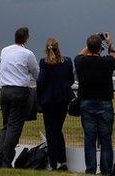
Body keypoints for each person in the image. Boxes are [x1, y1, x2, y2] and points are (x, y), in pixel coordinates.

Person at [74, 32, 115, 175]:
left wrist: (95, 40)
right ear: (100, 49)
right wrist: (110, 43)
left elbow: (80, 54)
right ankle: (106, 170)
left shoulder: (80, 61)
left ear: (88, 47)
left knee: (89, 139)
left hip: (86, 103)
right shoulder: (106, 62)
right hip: (105, 103)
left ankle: (90, 169)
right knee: (106, 138)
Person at [0, 27, 40, 169]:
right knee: (14, 127)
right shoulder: (28, 53)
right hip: (19, 91)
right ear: (26, 39)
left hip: (5, 90)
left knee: (5, 126)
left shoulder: (5, 50)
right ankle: (7, 161)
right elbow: (36, 72)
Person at [38, 37, 74, 171]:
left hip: (48, 100)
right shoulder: (67, 62)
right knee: (58, 130)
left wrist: (40, 97)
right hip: (63, 99)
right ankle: (62, 160)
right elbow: (70, 80)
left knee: (50, 132)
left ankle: (53, 163)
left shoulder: (44, 63)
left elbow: (40, 81)